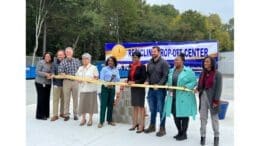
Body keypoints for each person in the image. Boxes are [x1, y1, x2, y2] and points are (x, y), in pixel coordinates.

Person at [164, 53, 197, 141]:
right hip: (173, 97)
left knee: (184, 115)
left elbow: (194, 81)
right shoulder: (171, 71)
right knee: (175, 115)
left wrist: (188, 86)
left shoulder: (188, 71)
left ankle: (184, 133)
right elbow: (168, 81)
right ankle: (179, 132)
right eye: (175, 60)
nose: (175, 61)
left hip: (184, 97)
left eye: (177, 60)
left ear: (182, 61)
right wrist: (168, 86)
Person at [196, 56, 222, 146]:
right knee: (203, 118)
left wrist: (216, 101)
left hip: (213, 100)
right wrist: (197, 89)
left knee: (214, 119)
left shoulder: (217, 74)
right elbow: (200, 85)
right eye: (204, 62)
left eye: (207, 61)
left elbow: (219, 89)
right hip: (203, 98)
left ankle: (216, 137)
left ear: (212, 63)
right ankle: (202, 137)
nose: (205, 63)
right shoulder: (202, 73)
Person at [144, 46, 169, 137]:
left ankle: (162, 128)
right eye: (152, 51)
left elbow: (165, 76)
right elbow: (148, 74)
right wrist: (147, 80)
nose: (153, 53)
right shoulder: (150, 62)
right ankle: (152, 126)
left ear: (159, 52)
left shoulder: (164, 63)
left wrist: (159, 85)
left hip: (160, 91)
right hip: (151, 90)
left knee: (161, 109)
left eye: (155, 51)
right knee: (152, 109)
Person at [76, 53, 99, 126]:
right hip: (82, 89)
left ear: (89, 59)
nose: (84, 60)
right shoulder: (80, 68)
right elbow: (76, 76)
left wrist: (91, 80)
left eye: (86, 58)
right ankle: (83, 118)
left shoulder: (93, 67)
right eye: (83, 58)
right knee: (82, 104)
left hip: (91, 89)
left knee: (91, 104)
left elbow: (96, 77)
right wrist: (78, 80)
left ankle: (90, 119)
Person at [58, 47, 81, 121]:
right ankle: (66, 114)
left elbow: (80, 70)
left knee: (75, 99)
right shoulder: (63, 62)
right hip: (66, 81)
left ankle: (75, 114)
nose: (68, 53)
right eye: (67, 52)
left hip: (75, 81)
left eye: (69, 52)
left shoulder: (77, 61)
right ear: (65, 53)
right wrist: (62, 73)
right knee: (66, 99)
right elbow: (60, 70)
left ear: (72, 53)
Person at [98, 56, 120, 128]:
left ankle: (109, 120)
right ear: (107, 62)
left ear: (114, 62)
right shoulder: (104, 69)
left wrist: (114, 78)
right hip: (105, 88)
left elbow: (118, 79)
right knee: (103, 105)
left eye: (112, 61)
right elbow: (101, 79)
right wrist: (107, 84)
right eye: (109, 61)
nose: (110, 62)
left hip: (112, 88)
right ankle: (101, 121)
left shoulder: (116, 70)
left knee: (111, 104)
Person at [127, 51, 146, 133]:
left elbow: (143, 78)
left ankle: (141, 126)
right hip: (133, 88)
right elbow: (129, 77)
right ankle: (134, 124)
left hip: (140, 88)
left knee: (141, 107)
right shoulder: (131, 66)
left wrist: (135, 82)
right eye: (133, 57)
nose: (134, 59)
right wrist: (128, 81)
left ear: (139, 58)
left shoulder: (142, 66)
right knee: (134, 106)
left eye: (135, 57)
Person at [35, 52, 54, 120]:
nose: (48, 58)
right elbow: (37, 72)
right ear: (44, 57)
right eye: (46, 56)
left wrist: (51, 75)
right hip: (40, 83)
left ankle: (46, 114)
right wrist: (46, 74)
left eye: (49, 56)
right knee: (41, 99)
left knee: (46, 98)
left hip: (48, 83)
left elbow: (52, 71)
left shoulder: (51, 64)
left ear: (51, 57)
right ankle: (40, 115)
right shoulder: (41, 62)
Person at [50, 50, 65, 121]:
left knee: (64, 100)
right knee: (56, 100)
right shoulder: (54, 63)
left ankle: (62, 113)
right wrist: (52, 74)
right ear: (57, 56)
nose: (60, 56)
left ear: (64, 55)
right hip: (56, 84)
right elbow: (52, 71)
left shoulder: (66, 63)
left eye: (61, 55)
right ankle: (55, 115)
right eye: (59, 55)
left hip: (65, 84)